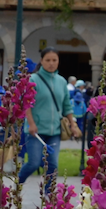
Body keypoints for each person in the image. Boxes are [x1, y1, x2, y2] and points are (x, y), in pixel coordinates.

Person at [21, 47, 69, 196]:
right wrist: (31, 123)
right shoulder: (33, 80)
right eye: (47, 60)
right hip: (36, 131)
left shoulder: (62, 81)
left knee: (53, 164)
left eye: (54, 60)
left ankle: (49, 194)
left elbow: (67, 105)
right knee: (33, 162)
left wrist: (73, 125)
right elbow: (26, 104)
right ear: (41, 61)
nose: (51, 63)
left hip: (54, 131)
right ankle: (17, 185)